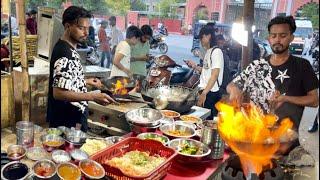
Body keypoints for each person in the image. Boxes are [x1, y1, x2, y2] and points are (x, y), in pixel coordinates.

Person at [227, 16, 319, 131]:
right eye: (273, 36)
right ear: (269, 38)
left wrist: (285, 98)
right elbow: (231, 85)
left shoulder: (302, 65)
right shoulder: (257, 65)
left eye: (283, 36)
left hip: (285, 137)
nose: (277, 40)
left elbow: (314, 100)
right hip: (255, 132)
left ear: (291, 38)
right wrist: (234, 89)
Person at [47, 6, 114, 132]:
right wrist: (93, 96)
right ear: (67, 26)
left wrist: (85, 81)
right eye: (81, 28)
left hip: (72, 118)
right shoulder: (64, 52)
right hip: (66, 122)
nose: (86, 32)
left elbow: (66, 77)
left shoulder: (69, 47)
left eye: (88, 28)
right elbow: (58, 93)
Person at [185, 24, 224, 120]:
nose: (200, 40)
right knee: (200, 120)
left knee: (207, 121)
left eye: (202, 37)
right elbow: (206, 72)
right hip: (205, 91)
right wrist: (194, 66)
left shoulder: (216, 52)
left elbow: (214, 75)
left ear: (208, 36)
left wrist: (204, 93)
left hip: (210, 93)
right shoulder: (209, 52)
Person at [130, 25, 153, 91]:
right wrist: (140, 58)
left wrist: (148, 58)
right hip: (132, 73)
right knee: (131, 95)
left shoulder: (147, 43)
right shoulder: (132, 41)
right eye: (145, 37)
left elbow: (146, 57)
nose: (146, 40)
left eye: (148, 38)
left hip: (142, 73)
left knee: (142, 95)